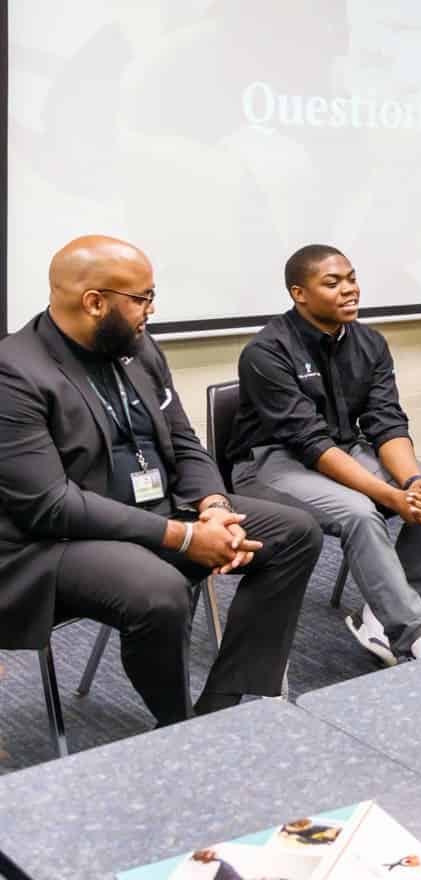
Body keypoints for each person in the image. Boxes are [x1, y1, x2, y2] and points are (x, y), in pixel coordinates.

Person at [0, 237, 323, 725]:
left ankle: (223, 703)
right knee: (160, 590)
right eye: (143, 298)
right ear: (95, 302)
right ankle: (178, 726)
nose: (151, 310)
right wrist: (187, 536)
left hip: (156, 510)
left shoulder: (138, 348)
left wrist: (213, 506)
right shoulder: (14, 373)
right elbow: (50, 506)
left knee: (295, 533)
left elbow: (185, 442)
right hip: (55, 543)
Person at [228, 245, 421, 666]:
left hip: (342, 449)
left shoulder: (369, 343)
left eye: (351, 278)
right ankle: (415, 636)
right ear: (300, 293)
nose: (349, 290)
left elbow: (386, 423)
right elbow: (309, 442)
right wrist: (390, 498)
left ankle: (381, 615)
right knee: (359, 511)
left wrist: (411, 484)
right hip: (269, 463)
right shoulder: (266, 352)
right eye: (332, 283)